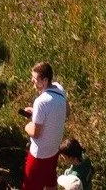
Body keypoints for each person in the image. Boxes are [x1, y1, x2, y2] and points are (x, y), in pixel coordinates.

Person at [23, 62, 68, 190]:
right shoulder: (59, 89)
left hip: (39, 154)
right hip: (54, 149)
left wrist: (27, 125)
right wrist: (38, 115)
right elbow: (66, 112)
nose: (33, 82)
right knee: (50, 182)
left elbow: (36, 133)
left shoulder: (41, 101)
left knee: (29, 186)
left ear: (45, 80)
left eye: (35, 79)